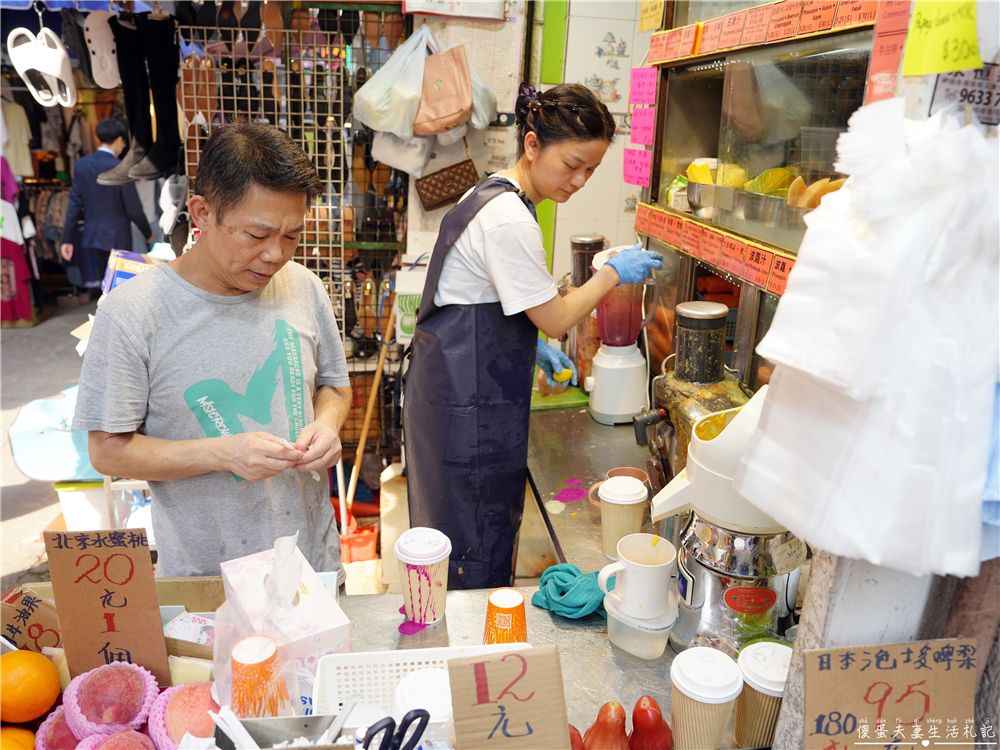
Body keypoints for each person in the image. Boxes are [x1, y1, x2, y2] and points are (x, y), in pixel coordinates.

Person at [404, 83, 663, 590]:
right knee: (470, 550)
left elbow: (494, 303)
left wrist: (528, 341)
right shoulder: (508, 219)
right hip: (467, 414)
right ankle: (471, 653)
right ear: (530, 144)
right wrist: (611, 273)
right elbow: (557, 318)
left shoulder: (494, 195)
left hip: (457, 398)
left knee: (460, 543)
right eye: (571, 165)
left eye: (591, 170)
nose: (580, 180)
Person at [73, 121, 352, 581]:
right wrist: (223, 453)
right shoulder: (133, 312)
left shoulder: (304, 286)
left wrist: (327, 423)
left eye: (291, 235)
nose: (276, 255)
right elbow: (107, 451)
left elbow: (334, 386)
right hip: (207, 581)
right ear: (202, 213)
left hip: (311, 567)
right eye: (257, 235)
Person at [60, 118, 154, 301]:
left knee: (105, 284)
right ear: (120, 140)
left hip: (93, 235)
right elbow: (133, 207)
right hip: (118, 235)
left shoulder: (82, 165)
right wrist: (147, 232)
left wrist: (67, 239)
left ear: (98, 139)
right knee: (121, 286)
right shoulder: (120, 166)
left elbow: (75, 203)